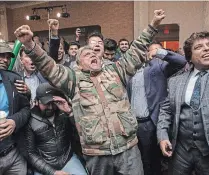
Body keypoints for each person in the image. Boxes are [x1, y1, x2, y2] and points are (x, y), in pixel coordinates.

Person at [14, 9, 166, 175]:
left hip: (128, 149)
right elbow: (49, 67)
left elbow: (136, 49)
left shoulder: (116, 71)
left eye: (95, 53)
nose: (93, 55)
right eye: (87, 54)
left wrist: (153, 25)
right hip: (97, 155)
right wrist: (29, 45)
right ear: (78, 65)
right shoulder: (72, 79)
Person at [157, 31, 209, 175]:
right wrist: (162, 136)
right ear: (189, 57)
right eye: (199, 47)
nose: (207, 48)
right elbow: (165, 111)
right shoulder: (175, 81)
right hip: (181, 151)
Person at [127, 40, 187, 175]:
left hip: (150, 122)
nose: (152, 53)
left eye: (156, 50)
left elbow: (181, 61)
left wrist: (160, 53)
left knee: (152, 162)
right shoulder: (133, 70)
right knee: (138, 161)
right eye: (150, 50)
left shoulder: (160, 66)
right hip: (133, 123)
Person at [25, 83, 87, 175]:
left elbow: (80, 134)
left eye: (52, 103)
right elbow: (31, 154)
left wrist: (69, 113)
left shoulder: (62, 113)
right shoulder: (30, 120)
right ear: (37, 101)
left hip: (68, 159)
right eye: (46, 104)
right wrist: (52, 172)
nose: (50, 107)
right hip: (45, 166)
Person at [0, 41, 31, 175]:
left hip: (13, 154)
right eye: (1, 55)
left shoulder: (14, 79)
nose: (5, 60)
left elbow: (26, 109)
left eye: (8, 57)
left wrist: (14, 121)